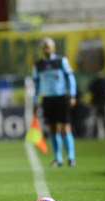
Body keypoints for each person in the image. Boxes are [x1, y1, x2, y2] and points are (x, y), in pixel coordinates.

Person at [32, 37, 77, 168]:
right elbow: (36, 84)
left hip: (61, 98)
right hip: (47, 99)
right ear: (41, 50)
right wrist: (35, 100)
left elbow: (71, 79)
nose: (46, 50)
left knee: (64, 127)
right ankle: (58, 159)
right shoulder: (38, 65)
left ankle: (71, 157)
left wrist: (72, 95)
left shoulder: (61, 61)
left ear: (53, 48)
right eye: (44, 48)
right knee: (52, 128)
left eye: (49, 47)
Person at [89, 70, 105, 138]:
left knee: (103, 119)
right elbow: (91, 89)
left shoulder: (104, 82)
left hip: (102, 103)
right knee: (95, 120)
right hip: (96, 103)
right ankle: (95, 134)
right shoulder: (95, 82)